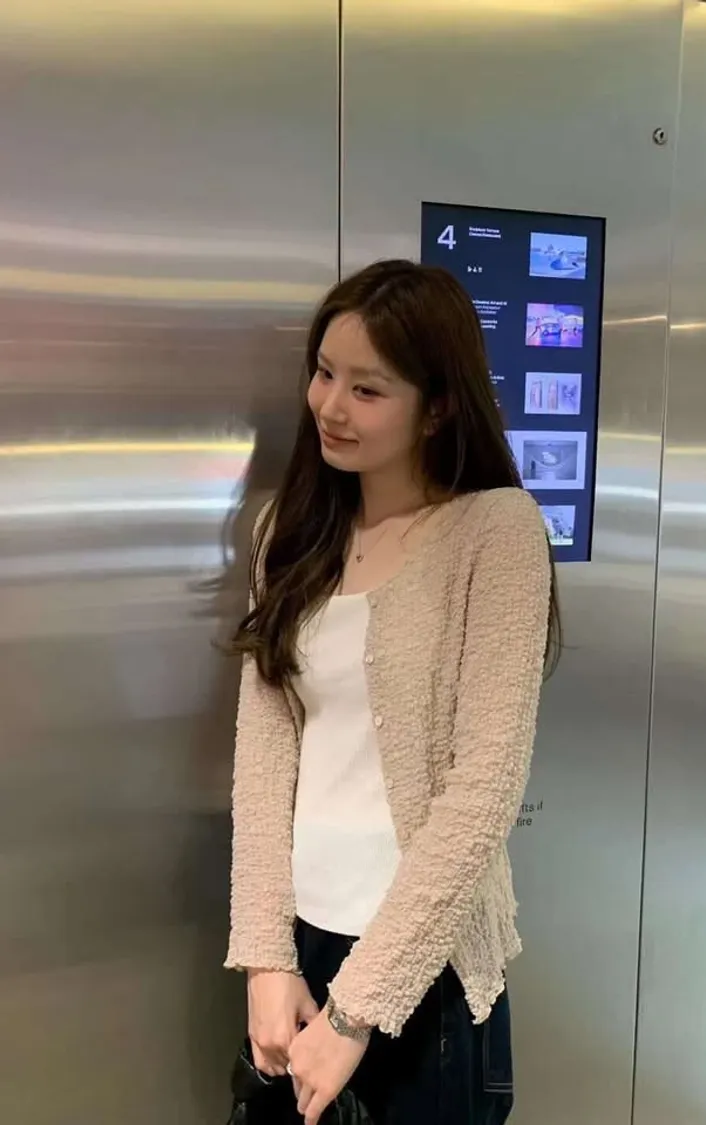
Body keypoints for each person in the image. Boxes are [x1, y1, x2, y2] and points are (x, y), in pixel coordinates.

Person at [225, 259, 560, 1125]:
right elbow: (264, 754)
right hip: (298, 951)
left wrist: (355, 1011)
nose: (330, 406)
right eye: (324, 373)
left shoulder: (496, 533)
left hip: (427, 967)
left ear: (437, 406)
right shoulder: (288, 531)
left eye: (367, 389)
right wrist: (265, 957)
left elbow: (484, 789)